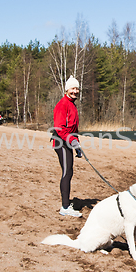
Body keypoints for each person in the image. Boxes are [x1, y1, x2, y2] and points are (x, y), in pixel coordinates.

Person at [52, 75, 83, 217]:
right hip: (60, 141)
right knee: (67, 172)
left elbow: (72, 128)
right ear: (66, 90)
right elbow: (59, 128)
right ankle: (65, 207)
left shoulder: (72, 104)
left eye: (77, 88)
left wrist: (76, 144)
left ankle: (66, 204)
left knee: (69, 171)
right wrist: (71, 141)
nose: (75, 91)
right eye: (72, 88)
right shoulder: (63, 104)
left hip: (67, 142)